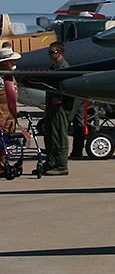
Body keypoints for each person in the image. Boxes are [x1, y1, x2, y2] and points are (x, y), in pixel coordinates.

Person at [38, 42, 72, 176]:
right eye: (49, 52)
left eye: (52, 52)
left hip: (60, 109)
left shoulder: (64, 67)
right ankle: (51, 163)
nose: (50, 54)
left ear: (60, 53)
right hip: (52, 107)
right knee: (50, 135)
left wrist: (62, 99)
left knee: (59, 136)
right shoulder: (55, 67)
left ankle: (61, 165)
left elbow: (69, 86)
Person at [0, 44, 20, 135]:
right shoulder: (1, 79)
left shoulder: (11, 77)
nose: (14, 62)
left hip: (10, 118)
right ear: (4, 63)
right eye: (11, 61)